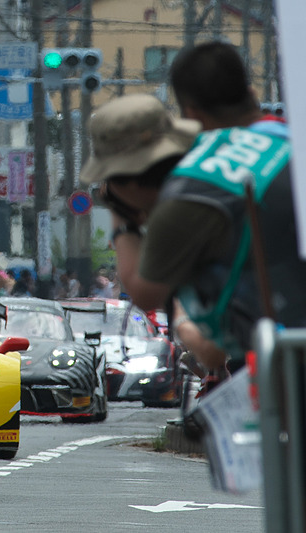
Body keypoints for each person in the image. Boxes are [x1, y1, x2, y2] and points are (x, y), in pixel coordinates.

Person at [80, 41, 303, 373]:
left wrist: (121, 218)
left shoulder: (190, 195)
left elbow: (145, 291)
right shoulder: (285, 137)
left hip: (289, 367)